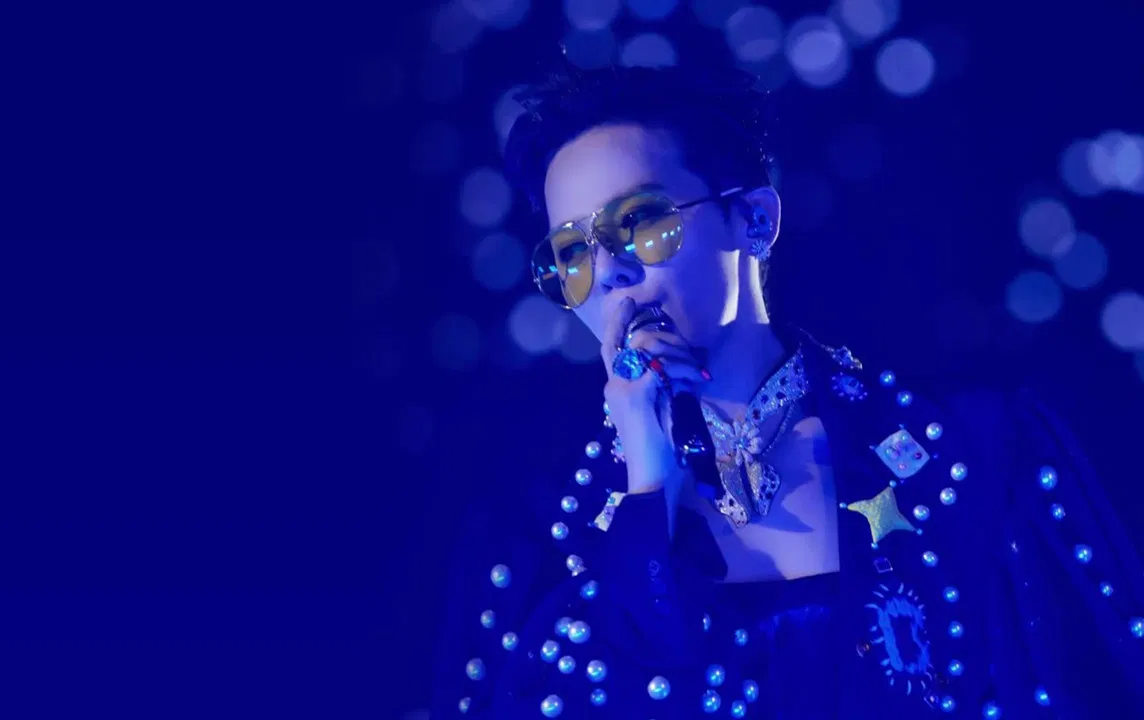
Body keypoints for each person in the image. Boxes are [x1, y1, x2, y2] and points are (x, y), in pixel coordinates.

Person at [433, 61, 1144, 719]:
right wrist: (648, 482)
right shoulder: (542, 538)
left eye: (641, 222)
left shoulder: (970, 456)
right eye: (572, 254)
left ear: (756, 220)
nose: (611, 272)